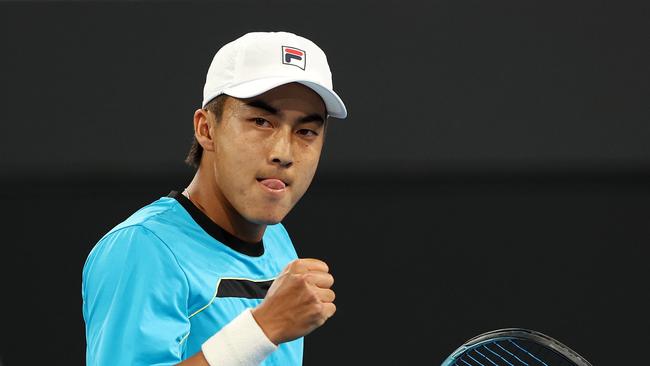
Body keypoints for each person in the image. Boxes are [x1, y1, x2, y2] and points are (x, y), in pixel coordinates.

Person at [82, 31, 347, 366]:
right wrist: (264, 328)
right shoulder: (141, 248)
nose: (284, 152)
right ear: (206, 129)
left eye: (306, 131)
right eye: (261, 121)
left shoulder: (277, 241)